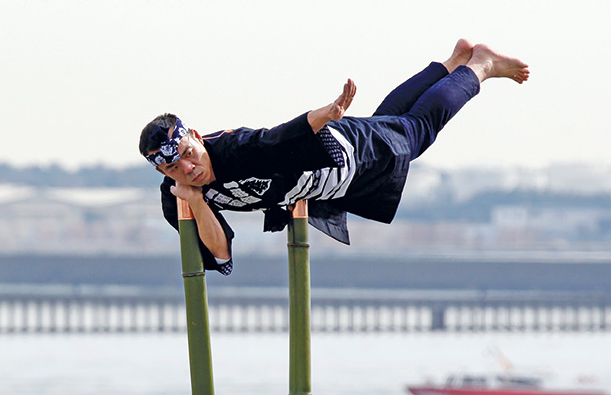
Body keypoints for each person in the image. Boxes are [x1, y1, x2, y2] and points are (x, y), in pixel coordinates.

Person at [139, 40, 530, 275]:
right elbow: (220, 255)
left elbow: (275, 139)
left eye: (189, 154)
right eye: (175, 167)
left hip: (347, 153)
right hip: (333, 179)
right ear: (162, 170)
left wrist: (323, 114)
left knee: (415, 132)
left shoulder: (231, 148)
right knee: (394, 122)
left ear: (194, 136)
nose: (189, 169)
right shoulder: (177, 194)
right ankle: (453, 62)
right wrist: (195, 201)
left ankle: (481, 64)